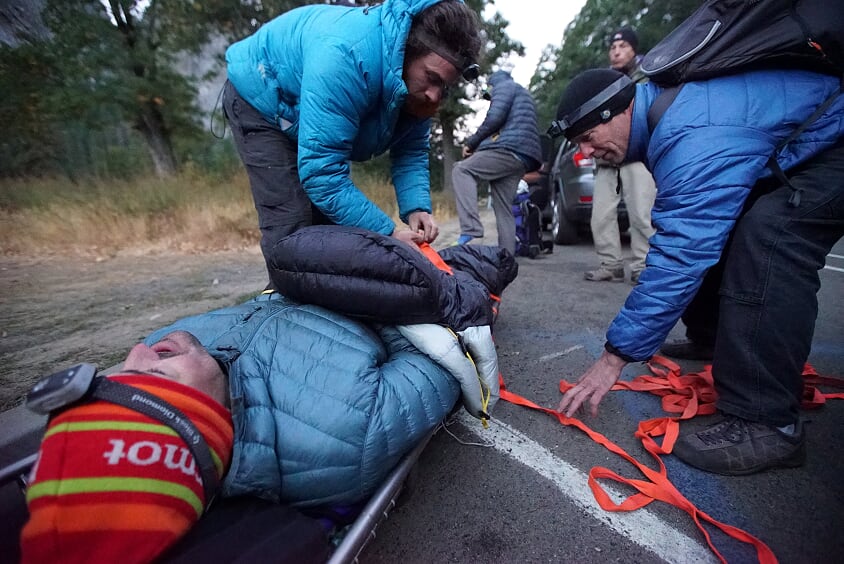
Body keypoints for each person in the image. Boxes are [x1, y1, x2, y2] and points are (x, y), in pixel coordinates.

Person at [19, 233, 517, 562]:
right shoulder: (338, 439)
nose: (139, 352)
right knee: (482, 261)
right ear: (201, 426)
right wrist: (377, 298)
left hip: (340, 266)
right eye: (151, 379)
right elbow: (435, 363)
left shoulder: (174, 342)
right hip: (394, 297)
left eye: (124, 372)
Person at [550, 66, 844, 476]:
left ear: (616, 112)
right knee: (726, 225)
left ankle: (768, 422)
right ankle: (711, 337)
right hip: (814, 139)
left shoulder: (688, 132)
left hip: (835, 143)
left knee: (771, 236)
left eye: (586, 137)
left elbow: (682, 254)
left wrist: (615, 357)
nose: (585, 152)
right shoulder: (669, 114)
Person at [223, 0, 482, 280]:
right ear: (405, 51)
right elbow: (322, 174)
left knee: (330, 227)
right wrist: (388, 234)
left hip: (308, 104)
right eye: (431, 78)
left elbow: (411, 150)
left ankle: (330, 303)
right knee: (293, 227)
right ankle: (286, 309)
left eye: (444, 85)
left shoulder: (417, 86)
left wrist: (416, 206)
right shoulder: (346, 55)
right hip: (262, 93)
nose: (434, 95)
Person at [585, 27, 656, 284]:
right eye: (613, 48)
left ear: (634, 50)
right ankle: (610, 264)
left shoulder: (648, 76)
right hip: (606, 160)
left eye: (623, 46)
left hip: (637, 154)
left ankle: (642, 266)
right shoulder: (603, 82)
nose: (616, 51)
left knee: (642, 213)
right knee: (601, 215)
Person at [452, 70, 543, 255]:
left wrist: (471, 143)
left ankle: (471, 229)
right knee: (503, 208)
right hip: (524, 157)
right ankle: (506, 259)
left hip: (510, 149)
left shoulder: (503, 87)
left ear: (491, 84)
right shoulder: (520, 91)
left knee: (461, 170)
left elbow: (495, 118)